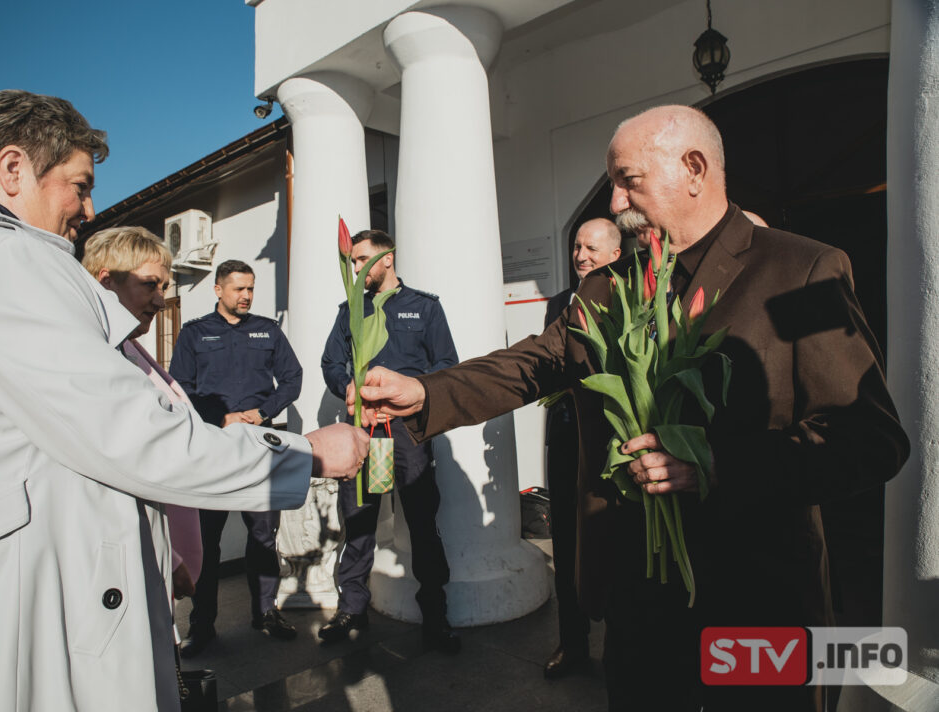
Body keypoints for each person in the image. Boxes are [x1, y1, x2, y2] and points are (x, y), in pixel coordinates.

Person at [350, 105, 909, 711]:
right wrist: (428, 392)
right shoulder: (608, 286)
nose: (615, 202)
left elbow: (866, 437)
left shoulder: (800, 273)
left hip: (758, 599)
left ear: (693, 169)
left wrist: (711, 465)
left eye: (628, 180)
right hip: (639, 603)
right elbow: (533, 362)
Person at [0, 89, 368, 712]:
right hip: (1, 626)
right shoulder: (6, 262)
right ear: (12, 169)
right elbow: (138, 438)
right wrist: (306, 455)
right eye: (79, 186)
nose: (88, 208)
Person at [320, 229, 462, 654]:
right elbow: (331, 361)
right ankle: (352, 609)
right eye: (352, 260)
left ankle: (435, 617)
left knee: (421, 521)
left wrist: (406, 395)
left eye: (362, 259)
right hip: (361, 428)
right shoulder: (350, 310)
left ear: (386, 260)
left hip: (407, 431)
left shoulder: (424, 308)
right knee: (358, 520)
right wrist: (350, 390)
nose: (356, 268)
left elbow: (446, 365)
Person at [169, 260, 304, 655]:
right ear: (218, 290)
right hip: (214, 445)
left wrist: (262, 413)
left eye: (250, 289)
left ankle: (266, 613)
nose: (246, 296)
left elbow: (292, 378)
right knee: (207, 540)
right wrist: (221, 417)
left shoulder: (268, 330)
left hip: (261, 445)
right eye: (238, 289)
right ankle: (202, 624)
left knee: (263, 536)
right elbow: (181, 390)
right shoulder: (195, 334)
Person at [81, 226, 203, 602]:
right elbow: (107, 474)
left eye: (163, 287)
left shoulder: (129, 346)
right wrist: (169, 556)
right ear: (106, 282)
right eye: (150, 285)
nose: (161, 300)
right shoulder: (97, 358)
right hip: (141, 563)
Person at [542, 217, 620, 679]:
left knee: (611, 542)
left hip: (611, 440)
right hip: (566, 437)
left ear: (615, 254)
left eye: (592, 248)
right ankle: (572, 645)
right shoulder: (557, 302)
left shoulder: (630, 297)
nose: (581, 255)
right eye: (577, 246)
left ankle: (621, 645)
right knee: (565, 543)